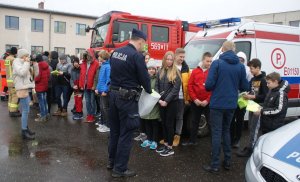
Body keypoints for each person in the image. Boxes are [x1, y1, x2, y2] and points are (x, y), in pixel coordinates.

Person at [108, 28, 151, 178]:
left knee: (115, 131)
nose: (143, 46)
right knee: (126, 134)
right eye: (143, 44)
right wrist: (150, 91)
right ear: (140, 41)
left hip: (112, 95)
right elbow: (145, 79)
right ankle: (120, 169)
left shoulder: (116, 52)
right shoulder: (136, 56)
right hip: (127, 99)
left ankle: (112, 162)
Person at [203, 41, 249, 173]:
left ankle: (215, 165)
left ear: (222, 49)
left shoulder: (217, 63)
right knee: (226, 131)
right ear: (234, 50)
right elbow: (245, 87)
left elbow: (209, 86)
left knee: (217, 133)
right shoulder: (240, 66)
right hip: (231, 104)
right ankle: (227, 161)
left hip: (217, 104)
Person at [237, 58, 268, 157]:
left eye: (252, 68)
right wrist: (246, 94)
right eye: (250, 68)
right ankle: (250, 146)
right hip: (251, 105)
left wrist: (252, 96)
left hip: (258, 107)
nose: (250, 70)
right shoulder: (252, 79)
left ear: (258, 68)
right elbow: (251, 91)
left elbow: (265, 96)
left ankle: (251, 149)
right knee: (251, 127)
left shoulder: (263, 80)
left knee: (255, 129)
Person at [155, 51, 181, 157]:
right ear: (164, 59)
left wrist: (166, 101)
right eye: (168, 59)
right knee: (164, 123)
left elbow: (175, 90)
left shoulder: (176, 72)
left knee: (170, 125)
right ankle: (165, 144)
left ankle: (170, 147)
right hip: (161, 102)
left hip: (172, 103)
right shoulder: (160, 71)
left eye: (171, 59)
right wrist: (159, 99)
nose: (169, 61)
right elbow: (156, 86)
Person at [183, 52, 212, 146]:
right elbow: (190, 86)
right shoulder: (195, 71)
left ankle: (213, 144)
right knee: (194, 122)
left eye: (211, 61)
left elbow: (214, 88)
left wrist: (207, 100)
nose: (209, 63)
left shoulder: (212, 72)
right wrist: (195, 99)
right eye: (207, 61)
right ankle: (192, 141)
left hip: (207, 102)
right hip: (196, 102)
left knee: (211, 123)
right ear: (203, 60)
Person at [230, 52, 252, 148]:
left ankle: (237, 139)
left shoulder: (247, 70)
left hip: (243, 98)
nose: (240, 61)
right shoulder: (233, 68)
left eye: (242, 59)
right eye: (238, 58)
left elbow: (249, 84)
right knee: (231, 119)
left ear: (245, 60)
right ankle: (230, 138)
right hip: (233, 97)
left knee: (240, 119)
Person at [12, 49, 35, 140]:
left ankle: (26, 128)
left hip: (24, 87)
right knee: (25, 110)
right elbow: (22, 72)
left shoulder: (21, 62)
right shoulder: (17, 62)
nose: (27, 57)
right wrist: (26, 63)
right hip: (21, 88)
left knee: (27, 109)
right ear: (22, 56)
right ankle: (24, 131)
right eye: (26, 55)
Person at [140, 60, 160, 150]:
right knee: (147, 122)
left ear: (156, 70)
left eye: (153, 69)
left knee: (154, 123)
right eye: (149, 69)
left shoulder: (157, 79)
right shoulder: (145, 78)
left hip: (154, 104)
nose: (151, 70)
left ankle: (155, 140)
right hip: (146, 104)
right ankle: (149, 139)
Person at [173, 48, 190, 146]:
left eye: (183, 57)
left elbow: (187, 84)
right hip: (171, 96)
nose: (182, 59)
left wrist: (187, 97)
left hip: (181, 97)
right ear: (175, 56)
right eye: (180, 57)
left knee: (179, 117)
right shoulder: (171, 66)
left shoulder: (186, 68)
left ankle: (177, 136)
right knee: (170, 117)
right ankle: (169, 136)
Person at [79, 50, 99, 123]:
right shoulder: (83, 63)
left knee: (92, 101)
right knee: (87, 101)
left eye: (88, 56)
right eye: (86, 56)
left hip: (92, 86)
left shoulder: (96, 63)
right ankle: (89, 114)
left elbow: (96, 76)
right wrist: (81, 84)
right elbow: (81, 75)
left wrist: (94, 85)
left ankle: (92, 115)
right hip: (85, 85)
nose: (87, 57)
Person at [95, 50, 111, 132]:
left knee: (105, 108)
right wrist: (97, 88)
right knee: (102, 108)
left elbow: (108, 80)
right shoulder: (103, 65)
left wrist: (105, 90)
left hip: (105, 92)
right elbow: (100, 79)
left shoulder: (108, 66)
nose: (98, 57)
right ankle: (104, 124)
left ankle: (108, 126)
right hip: (101, 90)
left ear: (103, 57)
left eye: (99, 56)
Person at [5, 47, 21, 117]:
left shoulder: (7, 59)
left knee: (11, 95)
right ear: (15, 52)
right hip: (13, 80)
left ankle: (10, 109)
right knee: (15, 96)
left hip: (8, 80)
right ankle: (13, 111)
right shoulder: (13, 59)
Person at [34, 54, 50, 122]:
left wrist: (34, 80)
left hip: (39, 86)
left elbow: (38, 77)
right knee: (44, 101)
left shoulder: (38, 65)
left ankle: (43, 117)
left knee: (41, 102)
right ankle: (46, 114)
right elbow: (49, 75)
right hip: (45, 85)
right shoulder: (46, 65)